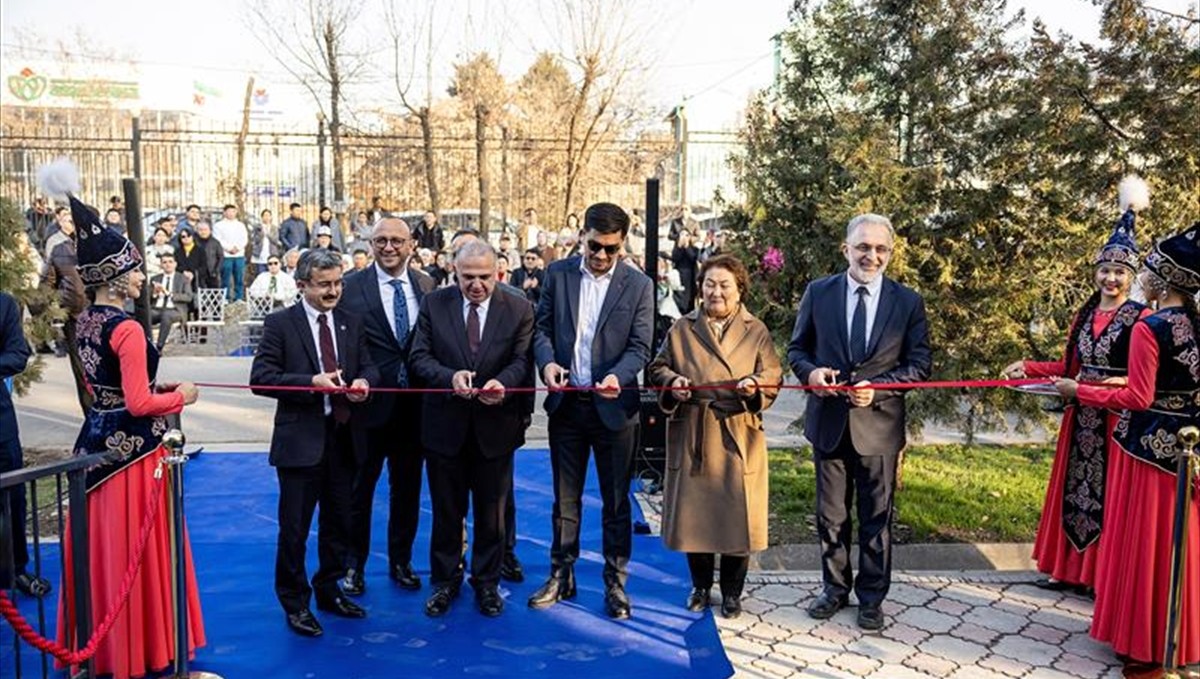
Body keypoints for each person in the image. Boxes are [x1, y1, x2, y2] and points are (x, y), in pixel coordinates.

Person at [50, 187, 205, 679]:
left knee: (102, 554)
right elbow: (139, 403)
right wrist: (182, 396)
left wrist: (155, 387)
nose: (142, 276)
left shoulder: (86, 321)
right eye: (136, 269)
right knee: (135, 556)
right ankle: (144, 648)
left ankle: (101, 647)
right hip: (136, 457)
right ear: (116, 279)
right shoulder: (129, 329)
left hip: (94, 446)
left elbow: (110, 389)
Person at [1054, 221, 1200, 671]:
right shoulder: (1195, 324)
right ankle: (1182, 641)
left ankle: (1143, 643)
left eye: (1145, 270)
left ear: (1160, 278)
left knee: (1147, 543)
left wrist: (1080, 392)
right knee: (1183, 545)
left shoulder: (1149, 326)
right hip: (1188, 449)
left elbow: (1137, 396)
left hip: (1145, 451)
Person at [1002, 177, 1150, 591]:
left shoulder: (1140, 319)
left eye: (1120, 271)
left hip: (1115, 423)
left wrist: (1112, 381)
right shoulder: (1084, 315)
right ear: (1095, 273)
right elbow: (1067, 365)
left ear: (1131, 276)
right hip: (1080, 416)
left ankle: (1102, 577)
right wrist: (1028, 367)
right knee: (1075, 493)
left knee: (1109, 497)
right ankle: (1070, 572)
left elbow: (1142, 375)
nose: (1111, 279)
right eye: (1105, 270)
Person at [787, 213, 932, 631]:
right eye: (864, 247)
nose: (872, 256)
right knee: (831, 515)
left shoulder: (907, 302)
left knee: (876, 517)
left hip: (880, 427)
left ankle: (872, 597)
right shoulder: (819, 293)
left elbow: (919, 364)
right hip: (829, 423)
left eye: (881, 249)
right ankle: (834, 589)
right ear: (846, 249)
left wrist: (880, 387)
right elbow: (798, 349)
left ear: (890, 253)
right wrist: (810, 374)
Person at [528, 202, 655, 619]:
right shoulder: (558, 274)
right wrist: (546, 362)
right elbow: (542, 328)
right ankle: (561, 575)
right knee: (565, 500)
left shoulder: (638, 286)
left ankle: (615, 582)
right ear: (582, 236)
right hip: (567, 407)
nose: (601, 256)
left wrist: (619, 375)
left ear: (622, 245)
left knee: (617, 502)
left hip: (614, 408)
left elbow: (641, 347)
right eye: (595, 246)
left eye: (611, 249)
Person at [250, 248, 378, 637]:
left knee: (340, 522)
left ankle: (329, 589)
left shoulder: (351, 322)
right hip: (300, 443)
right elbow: (262, 378)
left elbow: (369, 364)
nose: (334, 291)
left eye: (338, 283)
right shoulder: (280, 324)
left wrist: (363, 383)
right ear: (302, 285)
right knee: (294, 529)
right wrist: (310, 383)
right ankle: (295, 602)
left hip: (344, 439)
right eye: (324, 284)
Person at [648, 255, 782, 618]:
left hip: (738, 432)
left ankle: (734, 592)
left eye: (725, 285)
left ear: (740, 291)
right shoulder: (682, 328)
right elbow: (657, 367)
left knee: (737, 516)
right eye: (710, 284)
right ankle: (701, 587)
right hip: (695, 430)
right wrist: (672, 383)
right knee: (697, 518)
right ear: (699, 288)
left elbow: (772, 372)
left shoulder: (756, 330)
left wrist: (754, 385)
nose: (716, 292)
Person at [409, 239, 535, 617]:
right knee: (447, 513)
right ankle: (445, 582)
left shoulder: (519, 308)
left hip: (495, 429)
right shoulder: (434, 304)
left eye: (484, 277)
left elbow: (522, 361)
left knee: (491, 514)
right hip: (444, 427)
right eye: (468, 277)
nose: (476, 285)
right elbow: (418, 358)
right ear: (454, 272)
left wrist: (503, 384)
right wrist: (450, 378)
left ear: (498, 273)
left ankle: (487, 583)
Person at [338, 217, 434, 596]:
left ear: (411, 244)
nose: (389, 247)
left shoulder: (427, 286)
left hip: (414, 411)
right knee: (359, 491)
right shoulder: (350, 287)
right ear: (370, 244)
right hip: (368, 408)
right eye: (381, 240)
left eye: (397, 240)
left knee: (407, 491)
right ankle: (353, 566)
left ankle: (401, 561)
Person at [1, 291, 52, 598]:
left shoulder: (5, 304)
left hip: (1, 426)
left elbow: (18, 354)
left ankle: (16, 568)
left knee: (12, 497)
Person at [148, 252, 194, 349]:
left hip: (175, 310)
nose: (168, 264)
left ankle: (159, 347)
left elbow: (188, 297)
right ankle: (146, 345)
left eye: (170, 262)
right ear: (161, 265)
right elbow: (147, 298)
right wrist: (155, 293)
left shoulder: (183, 279)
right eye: (164, 262)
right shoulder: (155, 278)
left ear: (175, 264)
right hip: (156, 308)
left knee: (166, 315)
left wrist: (169, 293)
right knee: (144, 316)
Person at [214, 204, 249, 301]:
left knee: (239, 278)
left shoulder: (240, 225)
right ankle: (225, 297)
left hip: (239, 255)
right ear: (224, 212)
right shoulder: (218, 225)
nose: (231, 213)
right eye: (228, 211)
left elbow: (244, 239)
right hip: (226, 255)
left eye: (233, 211)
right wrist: (229, 248)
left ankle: (239, 297)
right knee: (225, 278)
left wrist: (237, 248)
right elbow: (218, 240)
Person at [671, 228, 700, 313]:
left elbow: (693, 258)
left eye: (686, 235)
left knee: (690, 302)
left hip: (690, 278)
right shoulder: (676, 249)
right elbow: (675, 258)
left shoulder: (694, 249)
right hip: (679, 277)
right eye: (682, 235)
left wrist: (687, 246)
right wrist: (679, 246)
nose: (684, 237)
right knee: (680, 301)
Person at [250, 208, 285, 276]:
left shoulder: (274, 228)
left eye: (268, 215)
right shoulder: (257, 227)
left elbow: (275, 240)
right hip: (260, 254)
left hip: (271, 253)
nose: (267, 217)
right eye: (265, 215)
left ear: (271, 217)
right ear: (262, 217)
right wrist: (261, 233)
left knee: (272, 274)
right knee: (261, 274)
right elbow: (255, 240)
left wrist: (268, 234)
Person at [190, 221, 224, 290]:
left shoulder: (215, 242)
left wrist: (216, 270)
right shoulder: (193, 242)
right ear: (197, 231)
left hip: (212, 272)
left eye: (205, 230)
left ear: (210, 230)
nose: (203, 232)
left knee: (214, 292)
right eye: (200, 230)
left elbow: (220, 257)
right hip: (197, 272)